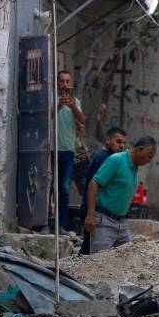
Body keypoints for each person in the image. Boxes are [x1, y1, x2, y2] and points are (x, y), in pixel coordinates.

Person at [84, 136, 156, 253]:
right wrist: (90, 214)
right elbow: (94, 184)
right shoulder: (117, 160)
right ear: (140, 150)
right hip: (104, 221)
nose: (149, 161)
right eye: (149, 156)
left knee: (128, 260)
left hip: (121, 223)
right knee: (100, 263)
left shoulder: (134, 168)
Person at [80, 127, 128, 255]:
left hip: (95, 212)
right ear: (108, 140)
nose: (122, 146)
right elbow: (94, 186)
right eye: (118, 142)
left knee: (88, 249)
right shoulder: (104, 158)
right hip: (95, 213)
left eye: (124, 143)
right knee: (92, 253)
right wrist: (91, 214)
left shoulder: (109, 157)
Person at [53, 70, 85, 233]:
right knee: (51, 188)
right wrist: (59, 105)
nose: (64, 84)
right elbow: (47, 117)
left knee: (64, 189)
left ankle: (61, 225)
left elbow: (82, 120)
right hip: (51, 149)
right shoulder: (51, 99)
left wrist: (72, 106)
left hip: (68, 150)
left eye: (67, 81)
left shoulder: (75, 102)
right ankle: (48, 224)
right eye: (61, 81)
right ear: (57, 82)